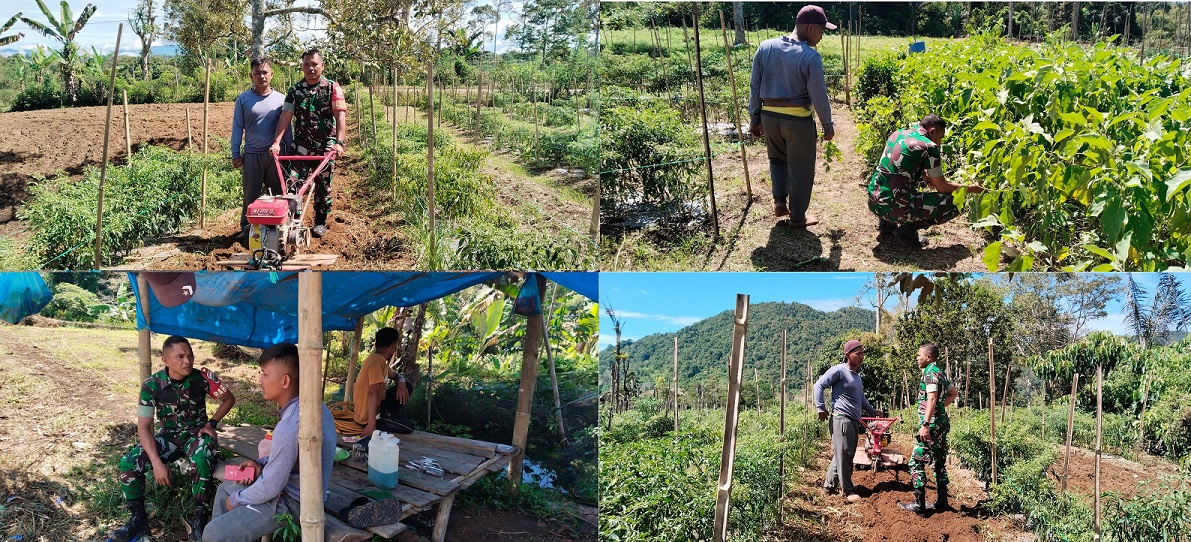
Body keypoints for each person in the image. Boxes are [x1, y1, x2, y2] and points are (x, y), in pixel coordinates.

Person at [203, 344, 337, 542]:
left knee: (212, 534)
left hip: (294, 501)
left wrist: (238, 499)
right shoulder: (313, 406)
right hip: (291, 489)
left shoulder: (291, 424)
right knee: (224, 490)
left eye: (264, 374)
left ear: (285, 381)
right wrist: (261, 464)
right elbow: (290, 461)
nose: (260, 380)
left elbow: (273, 485)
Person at [109, 336, 236, 542]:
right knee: (129, 463)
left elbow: (229, 398)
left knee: (202, 457)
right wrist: (157, 462)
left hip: (197, 435)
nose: (187, 361)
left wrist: (211, 423)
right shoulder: (152, 385)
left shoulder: (202, 378)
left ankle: (199, 519)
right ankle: (138, 520)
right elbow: (144, 426)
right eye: (180, 356)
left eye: (190, 355)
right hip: (168, 438)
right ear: (165, 360)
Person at [747, 5, 836, 227]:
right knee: (801, 168)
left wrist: (754, 118)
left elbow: (755, 86)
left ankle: (779, 200)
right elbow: (818, 94)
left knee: (777, 159)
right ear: (811, 27)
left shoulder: (765, 47)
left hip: (769, 117)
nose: (822, 37)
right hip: (797, 121)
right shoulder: (810, 57)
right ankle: (798, 217)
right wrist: (827, 123)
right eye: (822, 31)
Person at [867, 114, 984, 249]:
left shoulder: (898, 134)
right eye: (940, 138)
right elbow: (942, 187)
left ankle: (886, 224)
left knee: (894, 184)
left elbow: (895, 166)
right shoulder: (929, 146)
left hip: (874, 201)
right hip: (893, 207)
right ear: (932, 131)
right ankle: (908, 230)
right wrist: (971, 188)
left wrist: (922, 172)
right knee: (955, 202)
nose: (939, 143)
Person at [269, 48, 348, 239]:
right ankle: (295, 220)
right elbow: (286, 116)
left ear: (322, 66)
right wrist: (276, 142)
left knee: (323, 185)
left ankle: (320, 221)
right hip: (302, 144)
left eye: (314, 64)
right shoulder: (295, 90)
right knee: (293, 182)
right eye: (307, 64)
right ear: (302, 66)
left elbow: (340, 115)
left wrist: (339, 143)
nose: (310, 68)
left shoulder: (332, 88)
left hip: (325, 145)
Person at [813, 339, 882, 503]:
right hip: (841, 420)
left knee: (842, 455)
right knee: (845, 456)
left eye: (863, 353)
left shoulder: (856, 376)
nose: (861, 357)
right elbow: (818, 385)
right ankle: (848, 490)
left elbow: (861, 398)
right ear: (847, 355)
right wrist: (820, 407)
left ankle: (828, 486)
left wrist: (872, 411)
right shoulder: (839, 370)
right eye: (858, 354)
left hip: (852, 421)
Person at [231, 56, 292, 239]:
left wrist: (288, 152)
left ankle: (279, 227)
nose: (261, 76)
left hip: (275, 156)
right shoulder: (243, 99)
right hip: (251, 155)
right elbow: (237, 127)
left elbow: (287, 129)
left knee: (278, 195)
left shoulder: (281, 99)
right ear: (251, 76)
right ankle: (247, 229)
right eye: (257, 73)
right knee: (251, 194)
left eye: (265, 72)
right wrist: (235, 153)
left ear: (272, 75)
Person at [900, 343, 958, 516]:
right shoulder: (940, 372)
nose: (917, 358)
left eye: (919, 355)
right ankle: (942, 501)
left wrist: (925, 423)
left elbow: (932, 399)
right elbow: (953, 393)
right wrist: (940, 408)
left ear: (928, 357)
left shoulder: (930, 374)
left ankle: (919, 505)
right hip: (941, 422)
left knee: (915, 460)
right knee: (938, 460)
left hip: (931, 425)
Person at [351, 327, 419, 444]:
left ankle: (390, 417)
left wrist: (401, 383)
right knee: (409, 427)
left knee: (407, 386)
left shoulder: (381, 362)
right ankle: (385, 420)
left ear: (376, 343)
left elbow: (397, 376)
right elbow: (373, 392)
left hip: (379, 408)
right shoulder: (376, 361)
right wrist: (371, 425)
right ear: (393, 344)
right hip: (366, 419)